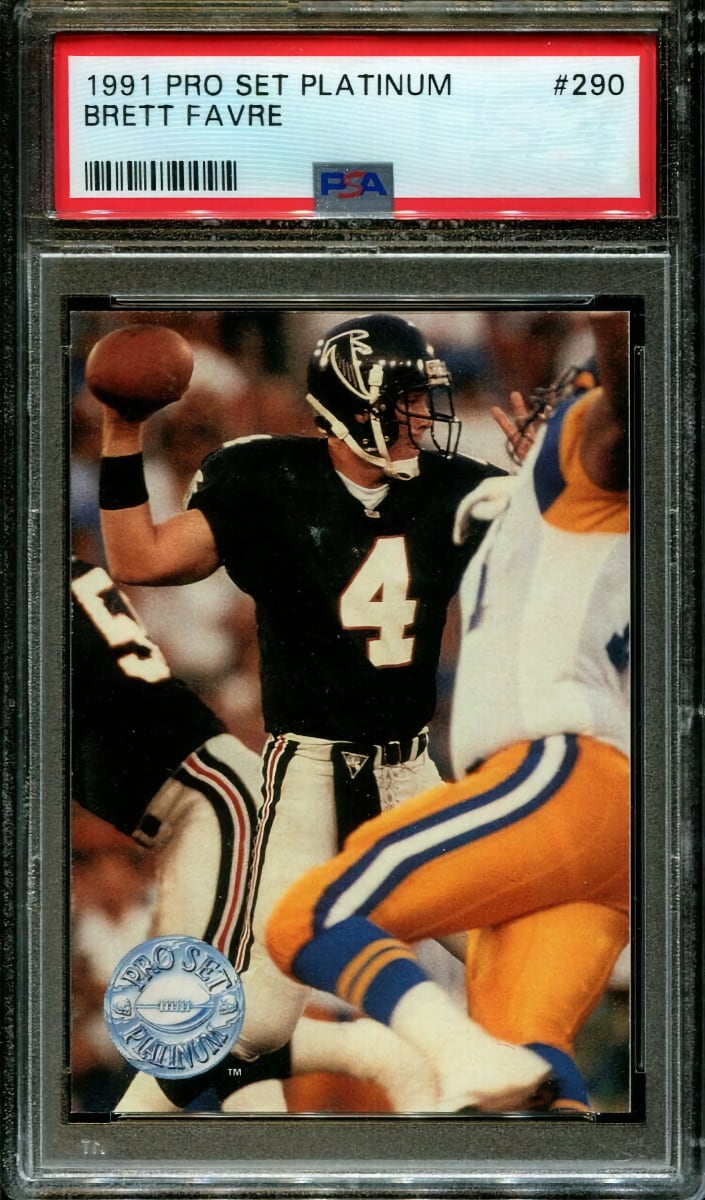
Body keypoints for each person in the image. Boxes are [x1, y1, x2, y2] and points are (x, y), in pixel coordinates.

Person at [95, 312, 514, 1094]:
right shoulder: (266, 479)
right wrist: (123, 431)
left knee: (508, 952)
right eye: (404, 401)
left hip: (411, 773)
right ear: (354, 409)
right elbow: (138, 556)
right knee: (257, 1020)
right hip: (308, 776)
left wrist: (553, 484)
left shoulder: (454, 487)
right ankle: (136, 1112)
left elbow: (564, 557)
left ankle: (494, 1103)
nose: (421, 417)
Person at [264, 311, 630, 1113]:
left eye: (565, 397)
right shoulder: (575, 517)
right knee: (530, 1067)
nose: (540, 408)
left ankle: (455, 1057)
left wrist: (619, 319)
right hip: (602, 828)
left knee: (308, 919)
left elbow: (630, 406)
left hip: (556, 776)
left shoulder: (595, 459)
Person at [71, 557, 438, 1114]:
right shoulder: (61, 579)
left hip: (211, 805)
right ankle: (356, 1057)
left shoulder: (33, 588)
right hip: (202, 805)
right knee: (221, 1021)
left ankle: (367, 1051)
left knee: (194, 1021)